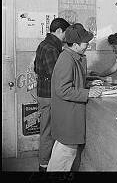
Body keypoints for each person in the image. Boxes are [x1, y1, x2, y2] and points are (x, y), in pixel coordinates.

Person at [47, 23, 102, 171]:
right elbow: (63, 89)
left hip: (70, 115)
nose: (87, 46)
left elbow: (73, 80)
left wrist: (87, 83)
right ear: (76, 44)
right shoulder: (66, 59)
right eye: (86, 43)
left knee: (64, 154)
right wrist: (87, 93)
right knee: (64, 156)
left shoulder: (74, 56)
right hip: (68, 117)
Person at [33, 18, 70, 172]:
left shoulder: (44, 44)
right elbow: (57, 74)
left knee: (47, 129)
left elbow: (36, 68)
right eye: (66, 33)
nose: (66, 38)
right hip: (49, 95)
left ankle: (46, 162)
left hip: (44, 93)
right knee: (48, 131)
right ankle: (44, 165)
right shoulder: (50, 48)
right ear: (60, 30)